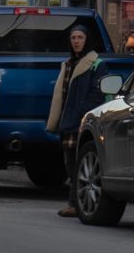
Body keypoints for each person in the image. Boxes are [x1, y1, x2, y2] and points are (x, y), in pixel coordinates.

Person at [44, 20, 108, 218]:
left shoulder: (96, 64)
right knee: (70, 164)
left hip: (81, 121)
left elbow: (97, 94)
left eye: (80, 37)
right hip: (67, 121)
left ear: (87, 40)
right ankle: (74, 202)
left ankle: (76, 203)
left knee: (80, 163)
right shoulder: (68, 64)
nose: (76, 41)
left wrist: (81, 112)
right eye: (73, 38)